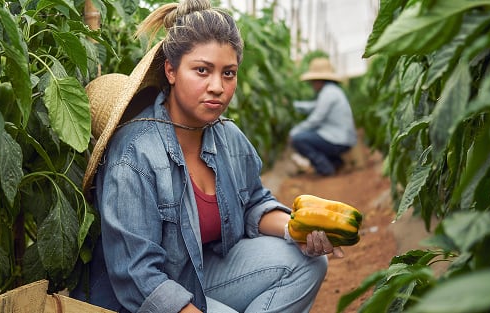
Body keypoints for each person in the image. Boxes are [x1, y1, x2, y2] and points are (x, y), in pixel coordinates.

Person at [72, 1, 344, 312]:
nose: (217, 87)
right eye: (202, 70)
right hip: (147, 298)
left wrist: (296, 228)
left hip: (202, 271)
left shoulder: (227, 136)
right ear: (171, 71)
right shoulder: (134, 155)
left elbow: (254, 201)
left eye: (228, 73)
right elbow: (137, 275)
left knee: (307, 262)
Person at [289, 57, 357, 176]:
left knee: (299, 139)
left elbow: (316, 119)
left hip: (337, 140)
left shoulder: (328, 93)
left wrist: (294, 132)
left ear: (320, 80)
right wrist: (293, 105)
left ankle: (325, 168)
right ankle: (336, 163)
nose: (312, 84)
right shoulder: (332, 91)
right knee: (313, 136)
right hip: (342, 138)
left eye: (313, 81)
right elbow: (314, 106)